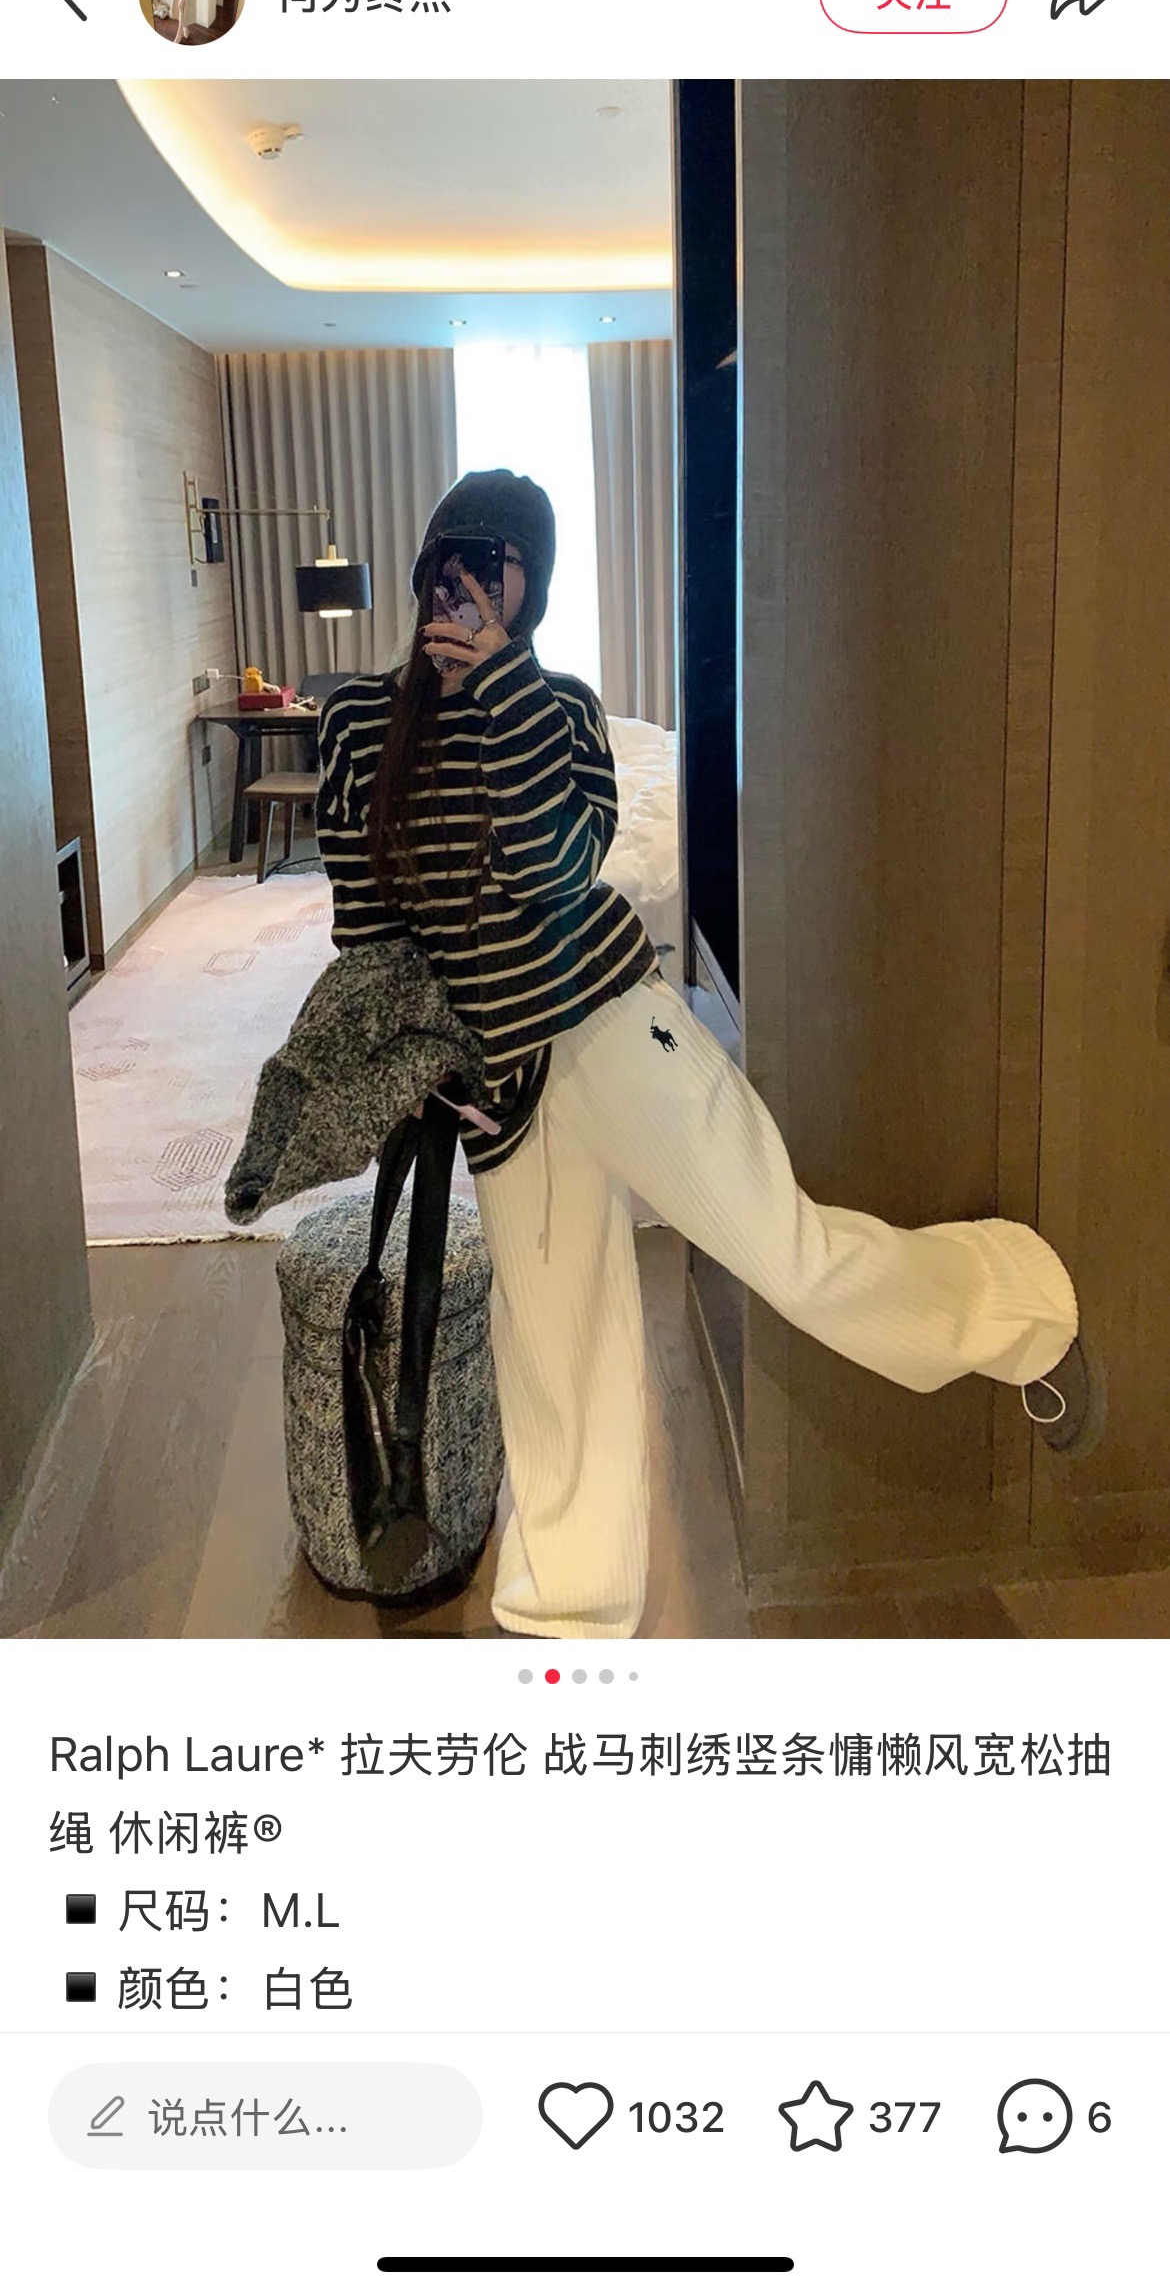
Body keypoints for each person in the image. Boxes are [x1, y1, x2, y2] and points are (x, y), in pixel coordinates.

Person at [315, 468, 1103, 1641]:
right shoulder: (354, 724)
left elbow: (558, 872)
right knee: (555, 1360)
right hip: (500, 1098)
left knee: (787, 1250)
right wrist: (424, 1070)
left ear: (531, 588)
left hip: (613, 1032)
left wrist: (503, 688)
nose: (466, 582)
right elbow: (369, 933)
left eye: (498, 561)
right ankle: (567, 1622)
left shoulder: (558, 708)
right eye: (452, 554)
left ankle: (1021, 1309)